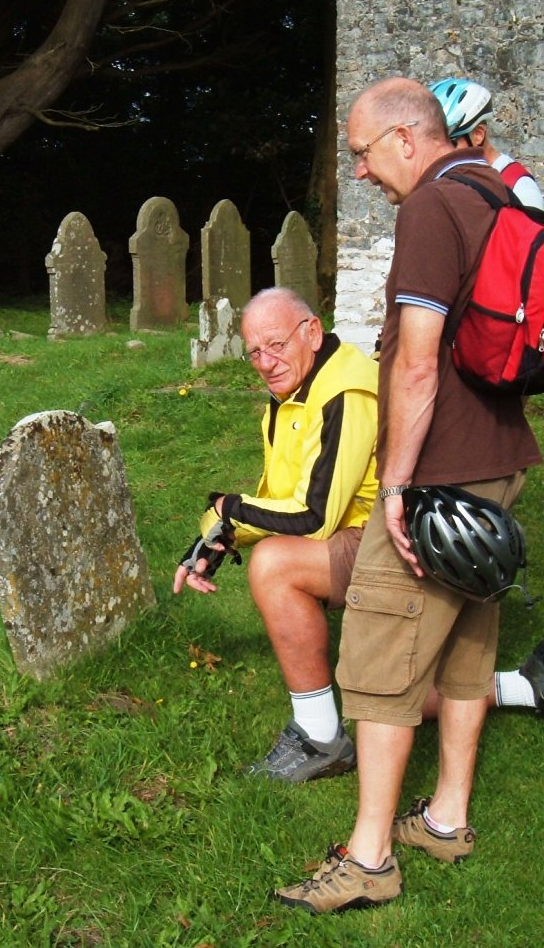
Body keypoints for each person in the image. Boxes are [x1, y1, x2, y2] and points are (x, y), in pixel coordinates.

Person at [275, 77, 544, 914]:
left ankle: (370, 859)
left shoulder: (429, 208)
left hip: (438, 474)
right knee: (466, 643)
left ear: (406, 138)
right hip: (496, 457)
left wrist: (395, 485)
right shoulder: (499, 192)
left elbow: (418, 361)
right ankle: (449, 818)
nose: (356, 171)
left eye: (360, 151)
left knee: (382, 663)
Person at [173, 287, 378, 782]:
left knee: (275, 566)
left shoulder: (343, 392)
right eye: (255, 353)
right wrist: (217, 536)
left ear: (311, 331)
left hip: (388, 542)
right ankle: (527, 686)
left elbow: (313, 517)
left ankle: (320, 737)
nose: (265, 363)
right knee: (391, 692)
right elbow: (283, 494)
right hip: (361, 536)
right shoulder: (297, 389)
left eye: (276, 345)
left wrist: (227, 510)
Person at [429, 77, 544, 211]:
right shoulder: (452, 183)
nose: (442, 154)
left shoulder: (520, 188)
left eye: (452, 142)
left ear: (478, 134)